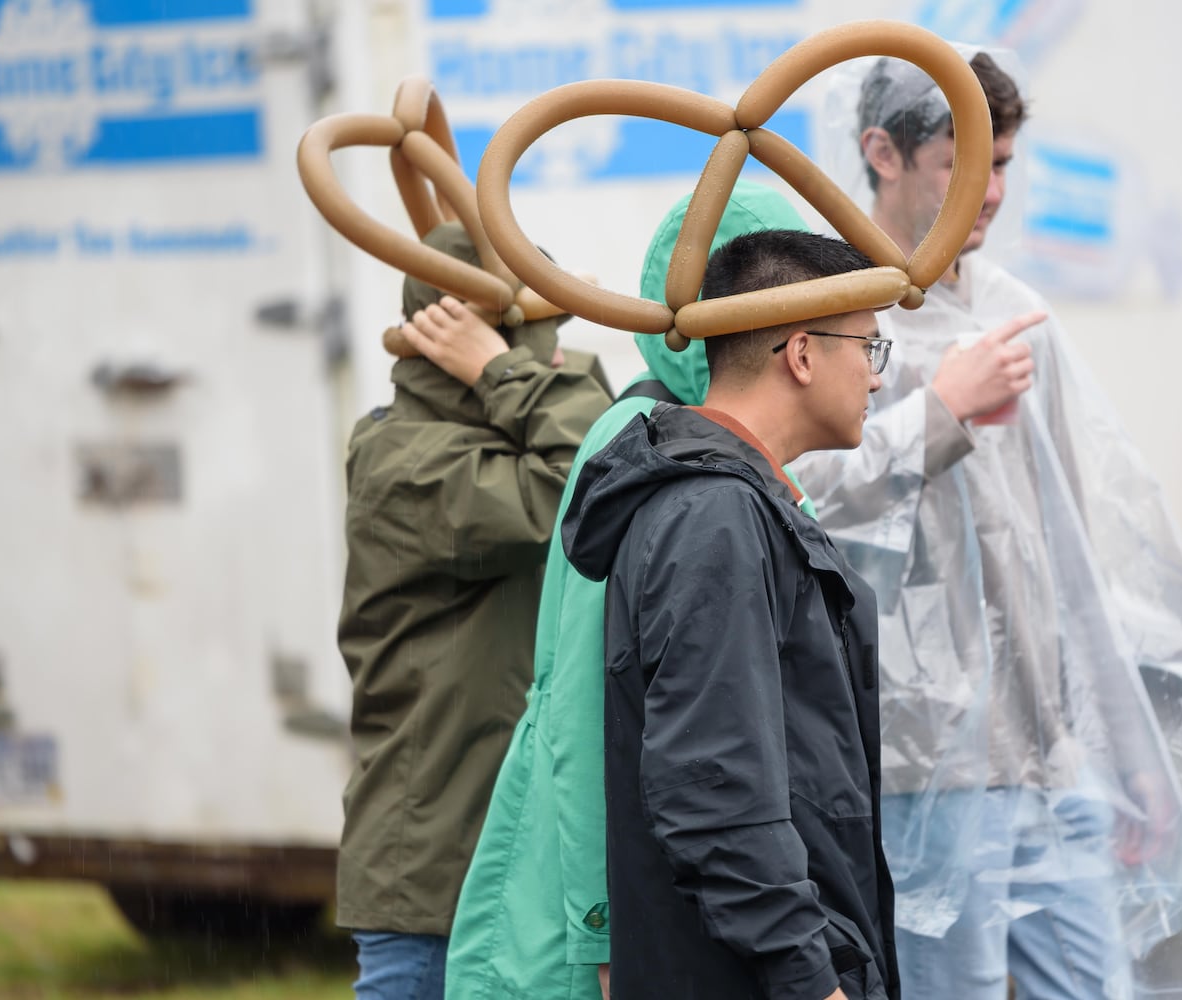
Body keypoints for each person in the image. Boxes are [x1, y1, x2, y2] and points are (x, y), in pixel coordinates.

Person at [795, 51, 1182, 998]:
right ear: (882, 152)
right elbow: (802, 500)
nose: (991, 192)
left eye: (1004, 163)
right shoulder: (835, 311)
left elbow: (1074, 554)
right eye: (965, 163)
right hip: (921, 767)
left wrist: (1124, 747)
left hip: (1051, 759)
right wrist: (939, 413)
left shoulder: (1018, 318)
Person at [445, 181, 811, 1000]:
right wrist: (603, 933)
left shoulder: (727, 456)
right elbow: (581, 704)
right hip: (581, 932)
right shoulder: (642, 448)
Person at [557, 228, 897, 1000]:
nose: (877, 379)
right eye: (869, 349)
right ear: (802, 353)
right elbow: (716, 790)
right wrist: (812, 980)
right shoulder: (715, 516)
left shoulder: (731, 503)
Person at [336, 221, 610, 1000]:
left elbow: (602, 429)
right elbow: (584, 483)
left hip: (487, 857)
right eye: (542, 350)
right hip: (434, 866)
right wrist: (504, 369)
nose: (560, 363)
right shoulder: (408, 463)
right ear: (467, 357)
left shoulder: (484, 423)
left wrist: (510, 364)